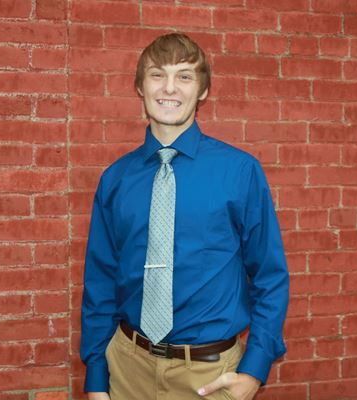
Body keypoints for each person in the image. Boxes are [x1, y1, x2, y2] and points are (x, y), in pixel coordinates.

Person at [80, 33, 289, 400]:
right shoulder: (116, 179)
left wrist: (253, 371)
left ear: (202, 90)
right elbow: (100, 283)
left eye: (185, 76)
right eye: (157, 75)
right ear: (140, 87)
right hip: (127, 371)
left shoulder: (240, 172)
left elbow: (269, 276)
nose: (169, 88)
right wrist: (97, 377)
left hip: (210, 376)